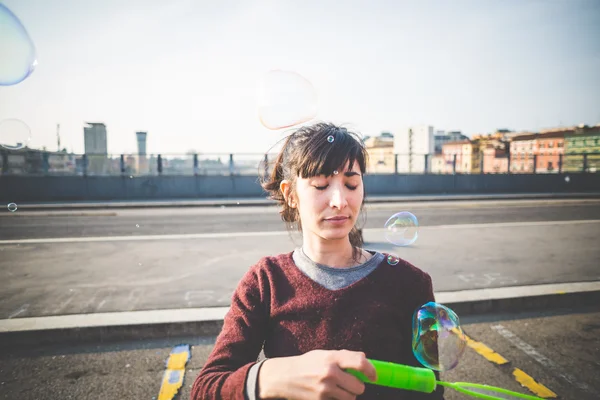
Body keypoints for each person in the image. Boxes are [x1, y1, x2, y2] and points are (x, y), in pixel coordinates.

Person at [191, 122, 444, 400]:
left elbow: (430, 391)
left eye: (351, 183)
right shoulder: (266, 281)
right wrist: (274, 376)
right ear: (290, 195)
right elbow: (205, 388)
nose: (339, 200)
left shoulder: (411, 283)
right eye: (321, 185)